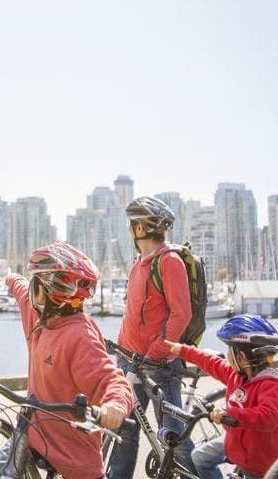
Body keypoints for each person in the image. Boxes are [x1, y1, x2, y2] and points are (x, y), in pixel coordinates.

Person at [0, 242, 133, 479]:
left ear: (45, 291)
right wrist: (11, 278)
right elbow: (22, 288)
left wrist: (115, 405)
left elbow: (110, 378)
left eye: (36, 283)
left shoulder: (79, 336)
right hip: (32, 434)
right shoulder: (38, 318)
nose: (31, 288)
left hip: (71, 452)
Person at [108, 196, 196, 478]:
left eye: (132, 223)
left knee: (175, 439)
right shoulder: (140, 263)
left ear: (142, 228)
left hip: (158, 367)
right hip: (129, 364)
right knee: (124, 432)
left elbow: (181, 315)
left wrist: (155, 354)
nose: (130, 228)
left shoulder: (169, 262)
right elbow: (133, 314)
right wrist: (118, 351)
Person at [165, 315, 278, 479]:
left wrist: (231, 414)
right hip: (235, 442)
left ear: (242, 357)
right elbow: (211, 362)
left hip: (258, 459)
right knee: (199, 457)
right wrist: (181, 350)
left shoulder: (271, 385)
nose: (226, 355)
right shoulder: (236, 375)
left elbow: (269, 417)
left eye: (230, 351)